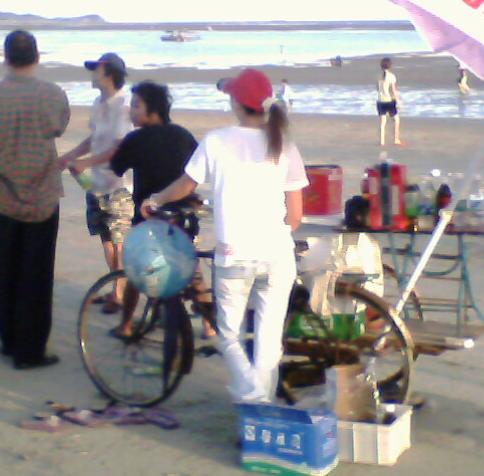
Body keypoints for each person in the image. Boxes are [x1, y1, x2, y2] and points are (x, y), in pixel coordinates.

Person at [141, 67, 306, 406]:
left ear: (237, 103)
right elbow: (296, 215)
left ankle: (253, 398)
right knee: (269, 339)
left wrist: (155, 199)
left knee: (229, 335)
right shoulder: (284, 145)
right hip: (278, 254)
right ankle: (259, 407)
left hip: (235, 255)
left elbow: (185, 185)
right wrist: (271, 234)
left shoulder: (217, 140)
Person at [0, 31, 71, 370]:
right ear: (37, 58)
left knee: (8, 271)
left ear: (6, 58)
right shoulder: (53, 94)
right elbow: (58, 128)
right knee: (36, 276)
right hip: (42, 194)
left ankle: (10, 341)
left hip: (2, 193)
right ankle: (30, 350)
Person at [108, 81, 211, 339]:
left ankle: (126, 325)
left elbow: (116, 168)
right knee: (192, 270)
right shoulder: (183, 135)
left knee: (136, 270)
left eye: (136, 106)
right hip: (183, 215)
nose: (131, 111)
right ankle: (209, 326)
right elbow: (195, 171)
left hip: (149, 215)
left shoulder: (135, 139)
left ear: (152, 110)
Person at [57, 53, 132, 306]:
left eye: (96, 70)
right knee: (106, 239)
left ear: (109, 74)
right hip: (96, 184)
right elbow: (93, 139)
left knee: (119, 241)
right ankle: (115, 289)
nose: (92, 75)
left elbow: (121, 147)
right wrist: (69, 157)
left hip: (119, 185)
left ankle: (120, 294)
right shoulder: (98, 103)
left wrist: (86, 163)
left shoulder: (124, 106)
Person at [375, 57, 404, 147]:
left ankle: (382, 141)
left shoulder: (378, 76)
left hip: (380, 100)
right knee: (396, 119)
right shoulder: (391, 76)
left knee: (383, 121)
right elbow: (393, 90)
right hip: (389, 100)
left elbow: (377, 88)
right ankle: (396, 139)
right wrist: (398, 101)